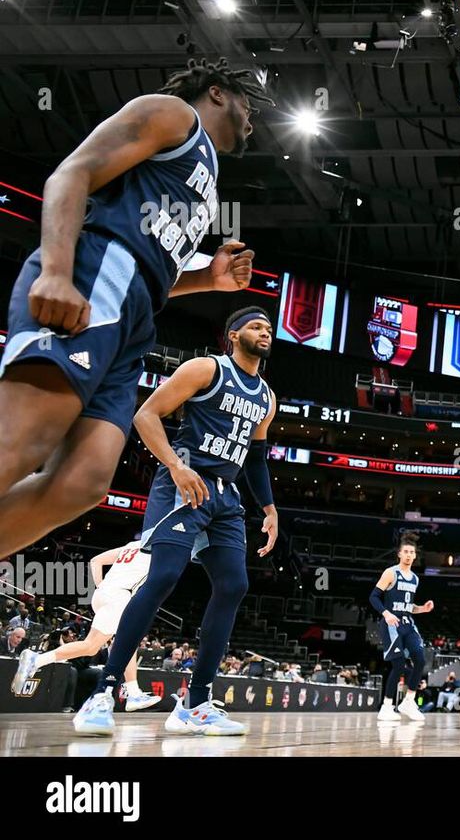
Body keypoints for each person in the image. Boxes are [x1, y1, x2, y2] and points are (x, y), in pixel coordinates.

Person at [0, 58, 268, 559]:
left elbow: (156, 276)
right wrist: (56, 272)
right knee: (25, 442)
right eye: (247, 104)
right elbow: (71, 174)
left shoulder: (207, 187)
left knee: (84, 481)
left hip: (136, 313)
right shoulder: (172, 115)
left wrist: (205, 280)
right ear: (216, 93)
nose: (252, 119)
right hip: (95, 275)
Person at [73, 307, 278, 737]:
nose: (265, 332)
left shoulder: (267, 397)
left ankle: (196, 703)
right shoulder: (207, 368)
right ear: (233, 333)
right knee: (164, 574)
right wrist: (176, 467)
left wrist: (271, 508)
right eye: (256, 326)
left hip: (225, 495)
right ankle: (103, 692)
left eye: (269, 328)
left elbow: (256, 458)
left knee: (234, 585)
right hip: (184, 483)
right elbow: (146, 415)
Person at [9, 538, 159, 711]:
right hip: (119, 596)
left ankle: (133, 691)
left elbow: (96, 560)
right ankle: (37, 659)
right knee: (94, 646)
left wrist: (102, 587)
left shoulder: (132, 545)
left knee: (123, 642)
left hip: (103, 594)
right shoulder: (159, 550)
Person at [371, 535, 433, 722]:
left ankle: (408, 701)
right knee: (398, 665)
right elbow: (374, 597)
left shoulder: (414, 579)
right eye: (405, 551)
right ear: (399, 554)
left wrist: (422, 609)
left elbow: (408, 606)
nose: (408, 555)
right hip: (392, 623)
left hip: (408, 622)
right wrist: (386, 613)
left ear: (415, 557)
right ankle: (387, 707)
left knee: (420, 660)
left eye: (411, 552)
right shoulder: (391, 573)